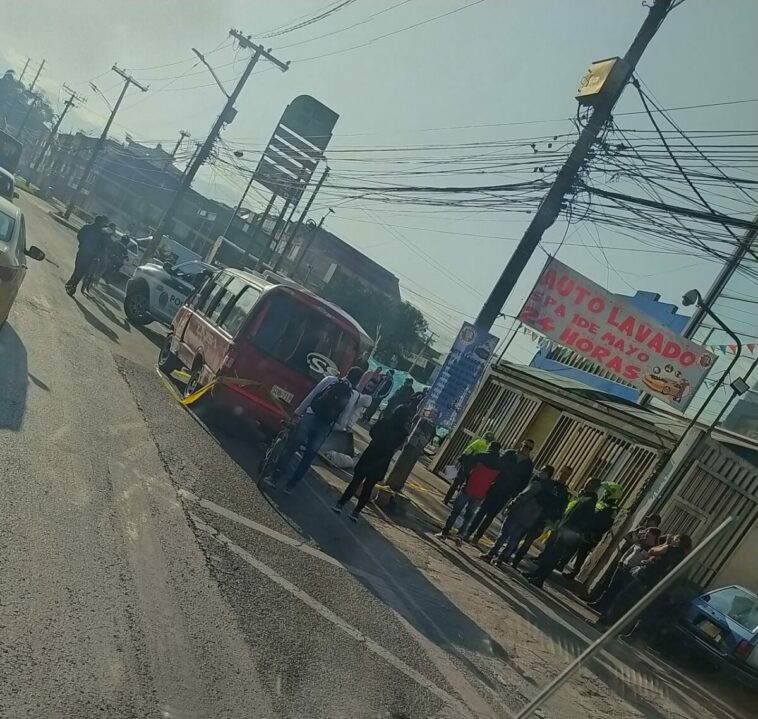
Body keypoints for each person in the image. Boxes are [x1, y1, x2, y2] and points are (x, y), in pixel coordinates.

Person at [263, 367, 363, 494]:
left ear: (347, 373)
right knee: (308, 458)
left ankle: (274, 478)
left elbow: (311, 396)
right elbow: (342, 422)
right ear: (357, 381)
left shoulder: (330, 380)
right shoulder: (352, 396)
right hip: (324, 427)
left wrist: (298, 412)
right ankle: (290, 486)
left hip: (310, 417)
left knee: (291, 448)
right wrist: (330, 425)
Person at [332, 404, 412, 521]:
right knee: (368, 487)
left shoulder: (384, 421)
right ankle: (356, 512)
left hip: (370, 454)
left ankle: (340, 504)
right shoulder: (404, 433)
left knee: (356, 481)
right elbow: (399, 447)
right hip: (382, 461)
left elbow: (372, 432)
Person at [480, 464, 568, 567]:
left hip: (519, 513)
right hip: (530, 518)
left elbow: (523, 496)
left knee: (504, 535)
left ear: (547, 474)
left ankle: (491, 554)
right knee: (514, 539)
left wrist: (511, 506)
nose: (540, 472)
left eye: (543, 471)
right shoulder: (550, 490)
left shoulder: (538, 484)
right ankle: (501, 558)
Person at [596, 534, 692, 626]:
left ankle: (606, 620)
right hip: (656, 584)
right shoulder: (682, 559)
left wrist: (666, 543)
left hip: (646, 578)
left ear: (678, 540)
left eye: (675, 538)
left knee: (623, 597)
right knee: (634, 606)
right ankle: (618, 626)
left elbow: (651, 551)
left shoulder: (670, 548)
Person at [522, 477, 600, 588]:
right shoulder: (584, 497)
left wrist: (569, 530)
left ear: (591, 484)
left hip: (567, 533)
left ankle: (540, 578)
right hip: (562, 529)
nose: (585, 483)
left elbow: (582, 521)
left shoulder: (589, 501)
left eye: (587, 482)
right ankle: (536, 574)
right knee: (549, 554)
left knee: (553, 556)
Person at [462, 438, 535, 540]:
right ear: (521, 444)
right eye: (525, 445)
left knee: (490, 515)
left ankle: (477, 537)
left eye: (529, 448)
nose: (526, 449)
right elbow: (497, 465)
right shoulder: (509, 453)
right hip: (495, 486)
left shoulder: (528, 465)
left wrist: (514, 494)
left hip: (506, 492)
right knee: (482, 510)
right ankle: (468, 533)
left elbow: (525, 481)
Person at [509, 465, 574, 570]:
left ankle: (516, 561)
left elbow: (561, 509)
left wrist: (552, 520)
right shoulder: (548, 483)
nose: (564, 475)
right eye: (563, 472)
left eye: (567, 474)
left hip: (542, 520)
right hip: (532, 513)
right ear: (559, 471)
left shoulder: (564, 493)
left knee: (528, 541)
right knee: (518, 535)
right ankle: (507, 554)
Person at [437, 442, 502, 545]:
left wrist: (464, 480)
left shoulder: (480, 456)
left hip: (468, 487)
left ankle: (445, 532)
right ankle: (460, 535)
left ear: (489, 447)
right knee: (469, 516)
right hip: (480, 493)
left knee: (456, 511)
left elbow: (467, 468)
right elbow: (496, 481)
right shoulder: (500, 464)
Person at [588, 526, 661, 614]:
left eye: (648, 533)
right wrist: (621, 561)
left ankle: (607, 611)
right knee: (611, 588)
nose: (645, 534)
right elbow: (629, 552)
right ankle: (599, 604)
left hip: (631, 572)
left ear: (654, 536)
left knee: (619, 592)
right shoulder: (640, 542)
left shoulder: (653, 550)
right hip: (623, 566)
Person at [561, 481, 622, 578]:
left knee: (582, 552)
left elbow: (607, 524)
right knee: (572, 546)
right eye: (606, 492)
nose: (605, 493)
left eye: (608, 493)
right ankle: (561, 563)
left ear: (613, 495)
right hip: (585, 528)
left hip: (593, 533)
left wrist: (595, 533)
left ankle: (574, 572)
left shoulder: (613, 508)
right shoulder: (601, 502)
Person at [443, 431, 498, 504]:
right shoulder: (488, 448)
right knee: (466, 486)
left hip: (467, 464)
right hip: (476, 469)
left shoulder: (479, 441)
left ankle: (446, 499)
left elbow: (468, 450)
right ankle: (456, 501)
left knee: (456, 482)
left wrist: (463, 457)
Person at [65, 215, 109, 296]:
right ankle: (73, 283)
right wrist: (98, 253)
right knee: (82, 271)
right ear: (100, 222)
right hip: (90, 255)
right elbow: (104, 246)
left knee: (78, 269)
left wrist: (82, 244)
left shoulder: (87, 228)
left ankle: (72, 283)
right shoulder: (102, 233)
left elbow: (79, 236)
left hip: (83, 252)